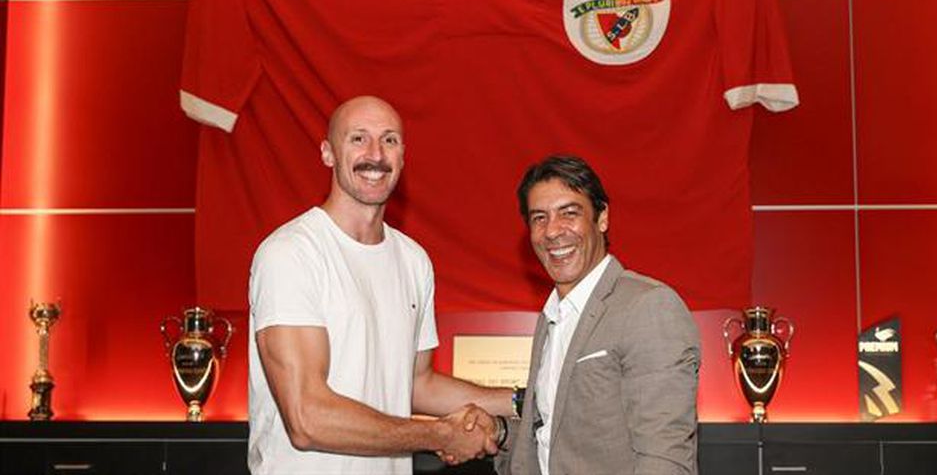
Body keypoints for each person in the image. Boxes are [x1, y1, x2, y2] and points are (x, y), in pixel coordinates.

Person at [248, 96, 514, 474]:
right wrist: (441, 435)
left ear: (402, 157)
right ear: (328, 153)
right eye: (358, 138)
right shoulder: (291, 253)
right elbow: (307, 418)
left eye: (389, 140)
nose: (375, 155)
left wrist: (523, 401)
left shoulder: (414, 260)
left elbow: (417, 384)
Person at [503, 155, 701, 475]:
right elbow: (556, 440)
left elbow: (665, 458)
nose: (552, 231)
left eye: (569, 213)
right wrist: (498, 433)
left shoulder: (648, 306)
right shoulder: (552, 316)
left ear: (602, 218)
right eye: (539, 218)